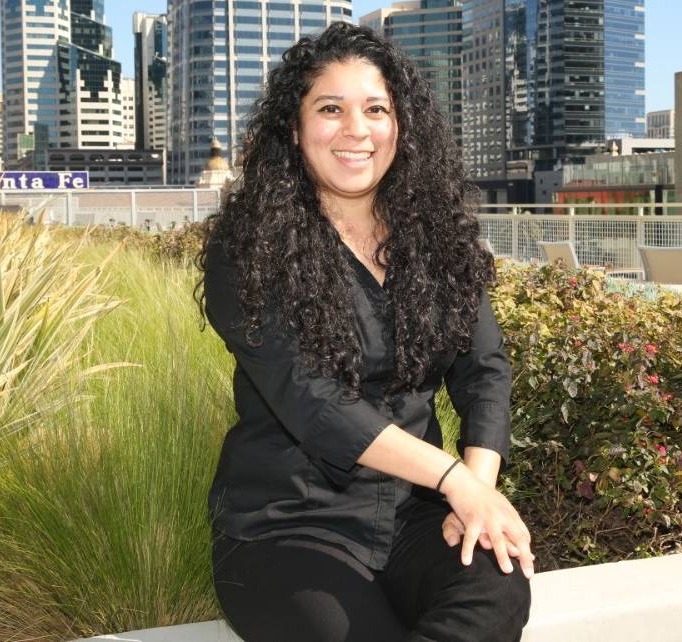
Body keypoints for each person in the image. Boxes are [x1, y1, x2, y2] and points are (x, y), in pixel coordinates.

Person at [198, 21, 533, 642]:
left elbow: (484, 368)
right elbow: (316, 404)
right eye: (331, 108)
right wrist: (451, 478)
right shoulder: (246, 248)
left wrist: (476, 495)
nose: (356, 130)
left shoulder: (434, 237)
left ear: (400, 125)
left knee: (499, 588)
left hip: (414, 516)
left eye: (375, 109)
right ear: (295, 130)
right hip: (289, 527)